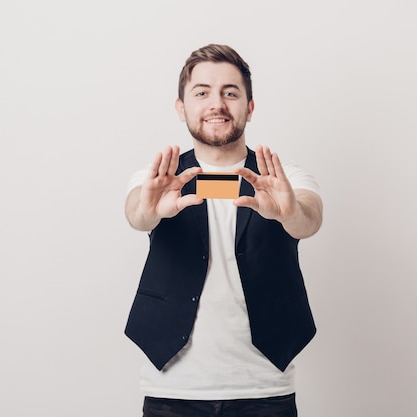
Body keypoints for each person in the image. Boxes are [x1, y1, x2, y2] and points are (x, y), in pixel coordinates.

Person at [124, 44, 323, 417]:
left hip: (265, 389)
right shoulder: (158, 178)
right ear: (181, 107)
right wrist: (147, 210)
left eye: (230, 92)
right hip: (171, 389)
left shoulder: (285, 178)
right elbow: (136, 213)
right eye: (202, 92)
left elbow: (309, 220)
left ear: (249, 106)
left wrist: (289, 211)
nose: (217, 103)